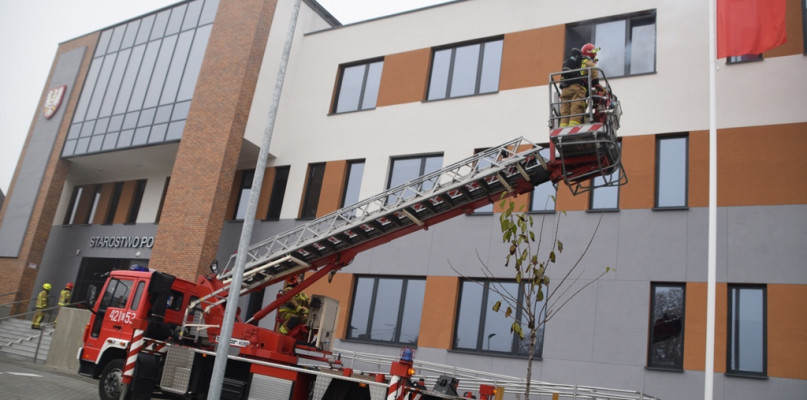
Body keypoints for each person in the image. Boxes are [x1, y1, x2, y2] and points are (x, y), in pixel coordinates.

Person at [559, 43, 600, 127]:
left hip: (565, 90)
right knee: (576, 109)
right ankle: (574, 128)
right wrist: (603, 91)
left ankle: (563, 127)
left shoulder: (572, 63)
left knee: (565, 111)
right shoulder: (590, 64)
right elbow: (595, 83)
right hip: (578, 89)